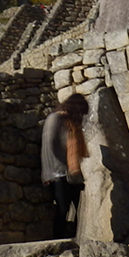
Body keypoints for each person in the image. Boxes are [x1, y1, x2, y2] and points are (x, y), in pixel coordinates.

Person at [40, 93, 90, 239]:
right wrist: (55, 172)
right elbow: (49, 148)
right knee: (62, 210)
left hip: (70, 174)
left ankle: (76, 239)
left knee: (79, 210)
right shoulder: (55, 119)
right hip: (57, 173)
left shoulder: (70, 123)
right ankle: (58, 241)